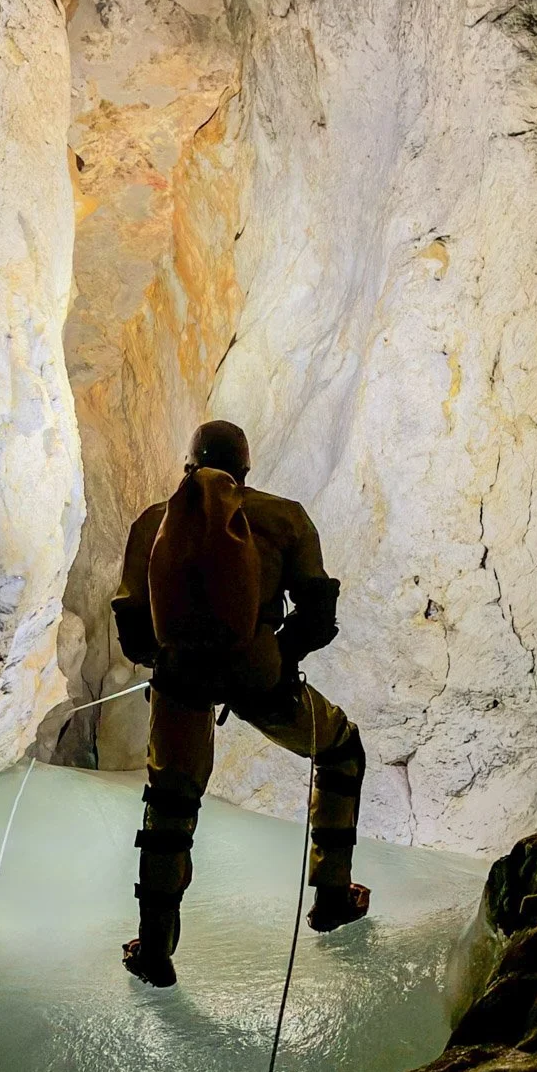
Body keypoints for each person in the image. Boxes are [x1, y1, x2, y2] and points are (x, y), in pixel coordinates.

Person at [112, 419, 369, 986]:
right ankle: (331, 895)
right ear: (245, 468)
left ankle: (154, 950)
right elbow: (319, 618)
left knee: (169, 808)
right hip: (259, 678)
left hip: (181, 681)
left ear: (188, 465)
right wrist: (272, 657)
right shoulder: (283, 517)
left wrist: (178, 660)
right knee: (341, 750)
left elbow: (133, 632)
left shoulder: (154, 524)